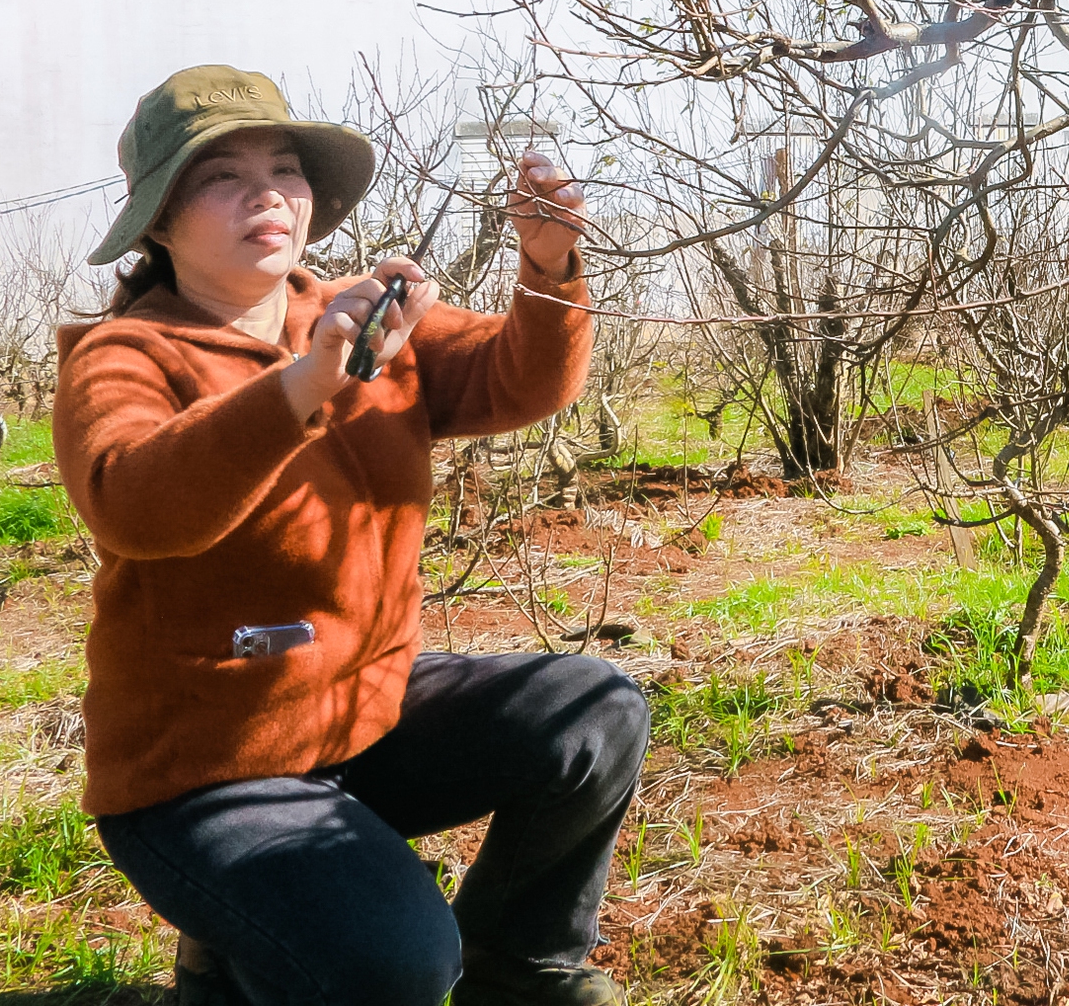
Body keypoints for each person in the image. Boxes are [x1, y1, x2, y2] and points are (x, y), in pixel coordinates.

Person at [53, 65, 642, 1006]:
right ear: (160, 221)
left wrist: (549, 267)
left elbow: (515, 378)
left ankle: (522, 965)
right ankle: (232, 952)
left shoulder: (345, 313)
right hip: (202, 768)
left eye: (284, 166)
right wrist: (305, 383)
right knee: (397, 965)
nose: (265, 192)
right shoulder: (126, 353)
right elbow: (135, 503)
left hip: (360, 716)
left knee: (593, 709)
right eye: (219, 175)